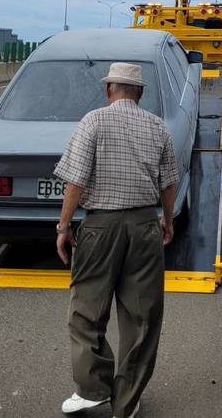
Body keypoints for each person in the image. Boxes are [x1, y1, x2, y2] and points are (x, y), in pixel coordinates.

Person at [54, 61, 179, 418]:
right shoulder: (158, 127)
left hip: (100, 227)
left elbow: (75, 182)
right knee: (142, 316)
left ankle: (93, 389)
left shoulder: (93, 121)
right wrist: (166, 222)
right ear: (139, 93)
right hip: (144, 226)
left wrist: (64, 228)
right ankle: (127, 400)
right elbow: (168, 183)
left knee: (87, 310)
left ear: (110, 90)